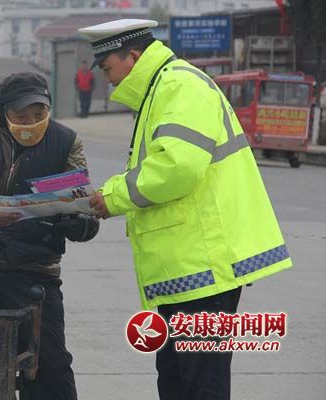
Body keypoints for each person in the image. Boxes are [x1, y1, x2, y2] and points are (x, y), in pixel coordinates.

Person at [79, 19, 293, 400]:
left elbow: (177, 168)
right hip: (186, 270)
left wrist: (112, 196)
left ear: (133, 56)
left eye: (107, 69)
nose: (107, 81)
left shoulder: (179, 86)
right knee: (176, 382)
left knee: (201, 385)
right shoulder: (161, 90)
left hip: (203, 268)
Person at [0, 72, 99, 400]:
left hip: (35, 268)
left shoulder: (66, 141)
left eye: (39, 114)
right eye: (21, 116)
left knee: (51, 365)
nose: (31, 123)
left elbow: (87, 208)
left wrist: (79, 220)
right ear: (2, 112)